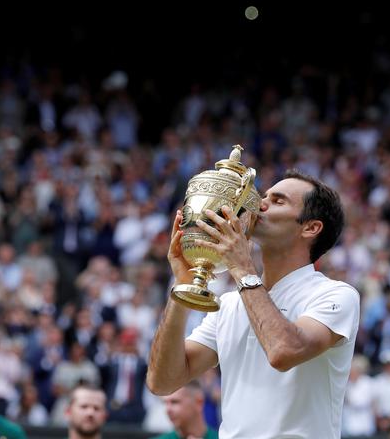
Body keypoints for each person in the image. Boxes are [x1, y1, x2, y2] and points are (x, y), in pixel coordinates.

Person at [147, 170, 360, 438]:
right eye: (264, 196)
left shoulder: (336, 294)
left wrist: (243, 269)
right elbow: (162, 381)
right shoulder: (229, 303)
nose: (259, 203)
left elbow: (284, 351)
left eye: (278, 200)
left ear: (310, 228)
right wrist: (182, 287)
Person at [154, 380, 218, 439]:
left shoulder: (223, 436)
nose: (168, 409)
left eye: (175, 402)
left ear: (199, 402)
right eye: (165, 403)